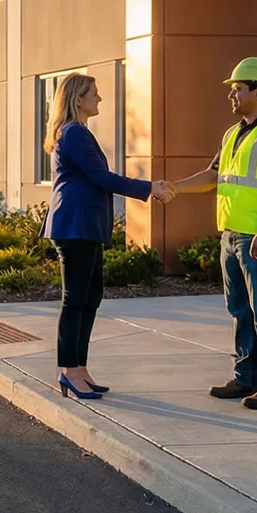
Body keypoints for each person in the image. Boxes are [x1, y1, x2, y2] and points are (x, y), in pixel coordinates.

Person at [164, 57, 257, 409]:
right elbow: (213, 177)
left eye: (238, 89)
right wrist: (173, 187)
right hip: (231, 234)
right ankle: (246, 378)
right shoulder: (233, 132)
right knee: (240, 309)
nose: (232, 96)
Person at [42, 72, 170, 400]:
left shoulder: (78, 133)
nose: (99, 99)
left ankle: (79, 369)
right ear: (78, 99)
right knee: (76, 300)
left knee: (91, 296)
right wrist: (149, 188)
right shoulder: (73, 134)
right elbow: (101, 177)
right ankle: (68, 371)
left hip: (84, 227)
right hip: (75, 226)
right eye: (94, 94)